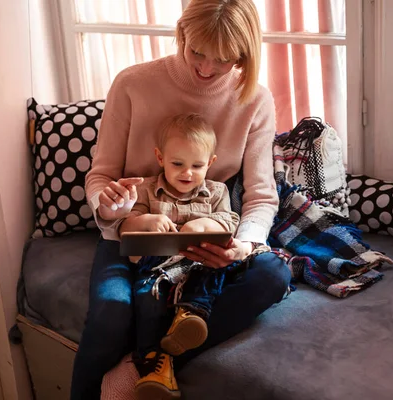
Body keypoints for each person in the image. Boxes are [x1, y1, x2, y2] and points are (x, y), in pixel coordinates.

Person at [70, 1, 292, 399]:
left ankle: (145, 361)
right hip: (135, 230)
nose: (206, 69)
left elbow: (260, 195)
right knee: (111, 313)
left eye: (225, 60)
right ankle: (149, 361)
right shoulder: (132, 83)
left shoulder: (255, 99)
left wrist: (245, 243)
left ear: (244, 54)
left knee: (274, 274)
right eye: (197, 52)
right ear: (181, 33)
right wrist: (112, 206)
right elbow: (101, 176)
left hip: (204, 232)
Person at [118, 113, 242, 398]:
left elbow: (230, 221)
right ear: (160, 158)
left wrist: (204, 224)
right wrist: (147, 221)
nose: (187, 173)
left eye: (197, 166)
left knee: (215, 270)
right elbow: (126, 225)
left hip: (200, 261)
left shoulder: (216, 191)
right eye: (177, 164)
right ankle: (153, 365)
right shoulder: (147, 189)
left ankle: (189, 315)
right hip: (158, 265)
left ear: (210, 163)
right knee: (146, 293)